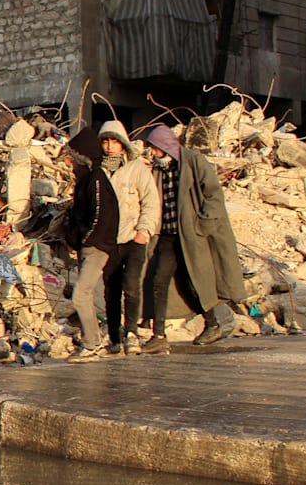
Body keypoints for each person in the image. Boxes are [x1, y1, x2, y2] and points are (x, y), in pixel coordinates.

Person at [140, 124, 248, 350]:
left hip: (192, 234)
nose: (152, 153)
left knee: (195, 281)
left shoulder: (193, 162)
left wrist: (202, 225)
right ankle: (158, 335)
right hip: (167, 235)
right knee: (158, 280)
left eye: (154, 148)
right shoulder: (159, 170)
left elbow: (213, 194)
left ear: (164, 145)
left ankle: (213, 324)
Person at [68, 121, 159, 362]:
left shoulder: (136, 169)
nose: (110, 147)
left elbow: (150, 201)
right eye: (106, 142)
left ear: (123, 144)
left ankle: (131, 333)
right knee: (111, 289)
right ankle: (115, 338)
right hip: (109, 240)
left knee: (131, 286)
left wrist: (144, 231)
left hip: (132, 236)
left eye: (115, 141)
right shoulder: (98, 172)